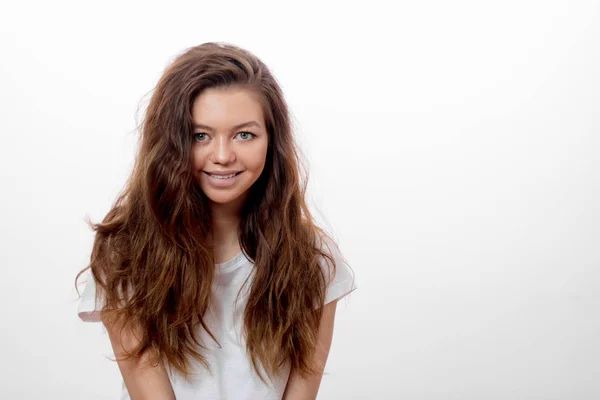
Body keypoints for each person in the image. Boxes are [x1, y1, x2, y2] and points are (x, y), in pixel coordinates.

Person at [74, 42, 357, 400]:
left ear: (272, 141)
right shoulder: (127, 256)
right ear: (171, 142)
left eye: (244, 134)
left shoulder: (312, 258)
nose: (222, 156)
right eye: (200, 136)